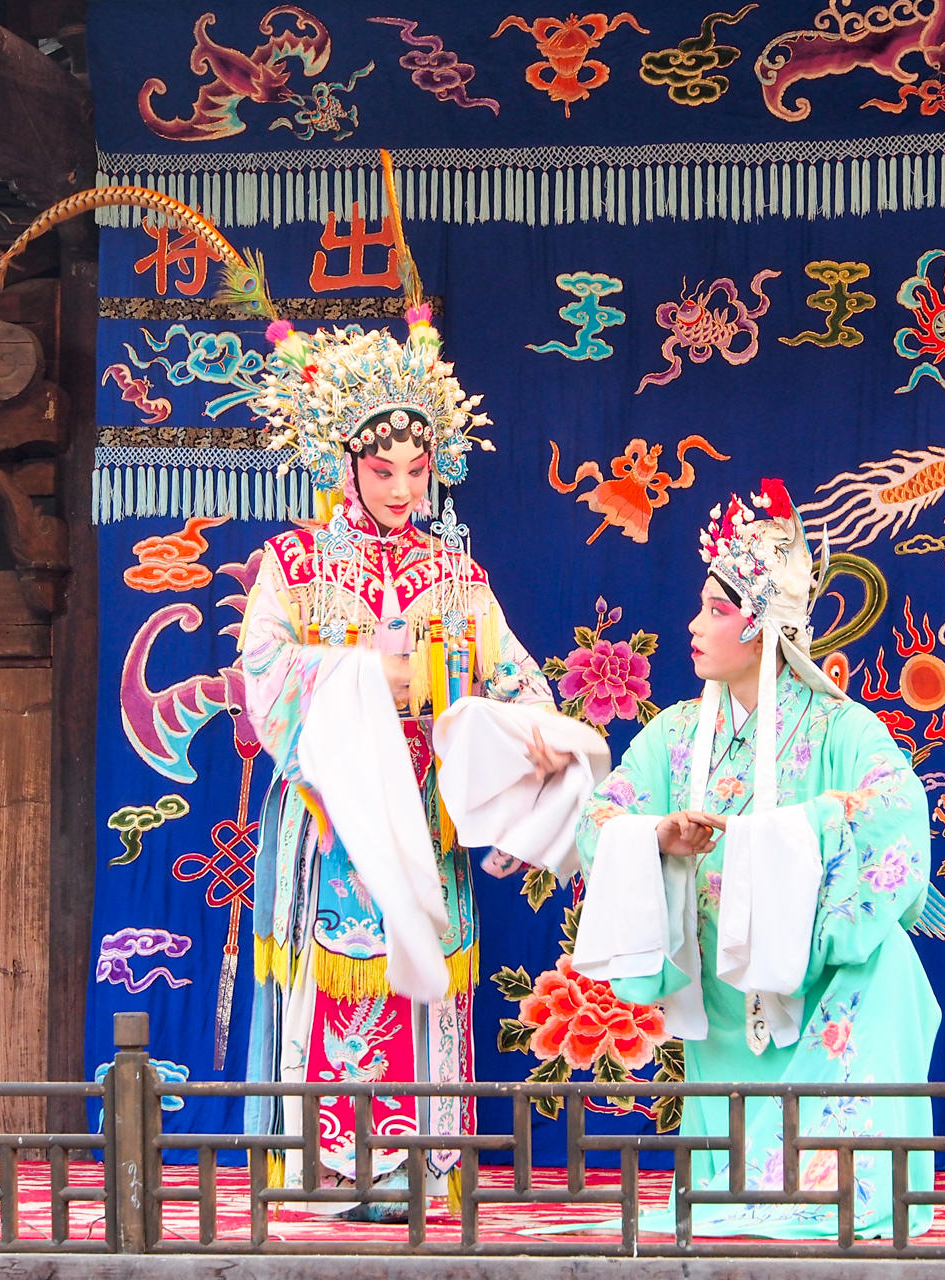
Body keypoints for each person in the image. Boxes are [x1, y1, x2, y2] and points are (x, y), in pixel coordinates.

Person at [239, 310, 570, 1214]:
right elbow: (262, 674)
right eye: (382, 469)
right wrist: (364, 677)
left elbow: (515, 677)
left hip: (427, 810)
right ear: (342, 461)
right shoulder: (294, 563)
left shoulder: (456, 572)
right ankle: (326, 1164)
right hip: (335, 813)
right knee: (334, 973)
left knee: (424, 981)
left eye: (417, 470)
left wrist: (532, 733)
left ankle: (417, 1162)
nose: (400, 488)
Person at [570, 479, 940, 1240]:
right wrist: (657, 836)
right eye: (702, 606)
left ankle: (837, 1178)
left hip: (810, 977)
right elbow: (598, 816)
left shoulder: (839, 726)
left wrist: (795, 830)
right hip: (723, 988)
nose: (693, 625)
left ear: (764, 625)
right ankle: (746, 1182)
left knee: (890, 961)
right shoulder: (675, 736)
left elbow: (896, 807)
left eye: (717, 609)